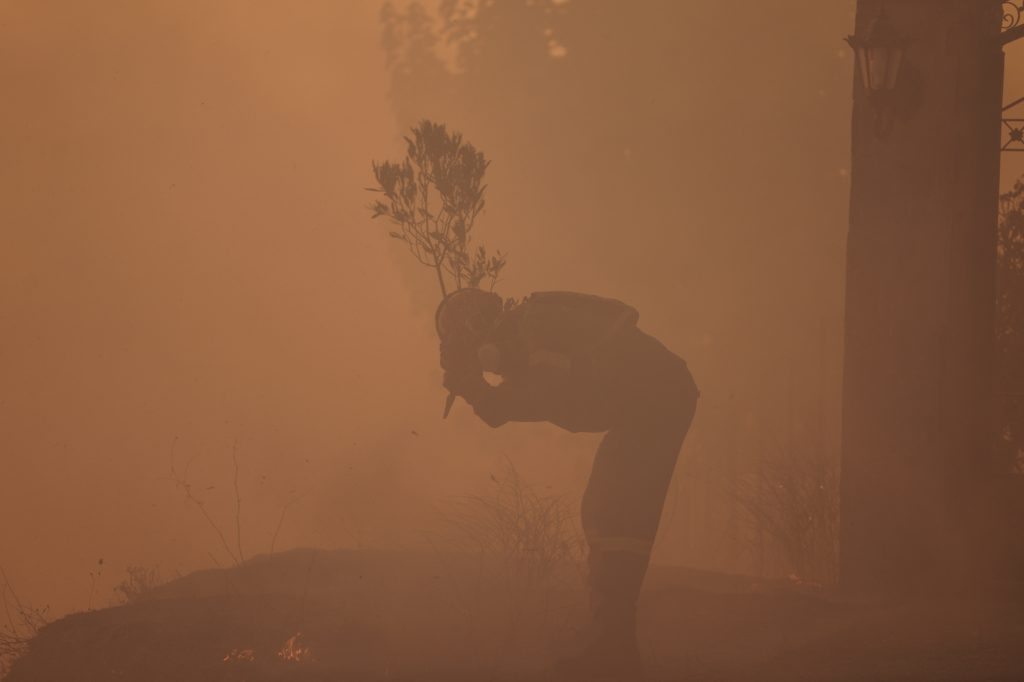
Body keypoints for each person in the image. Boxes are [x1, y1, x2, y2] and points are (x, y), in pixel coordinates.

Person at [437, 287, 699, 680]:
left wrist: (476, 389)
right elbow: (512, 403)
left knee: (616, 513)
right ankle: (611, 640)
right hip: (647, 405)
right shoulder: (531, 335)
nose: (497, 369)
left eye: (484, 358)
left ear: (481, 333)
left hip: (656, 401)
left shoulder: (536, 325)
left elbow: (539, 394)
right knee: (604, 509)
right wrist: (479, 392)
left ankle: (614, 650)